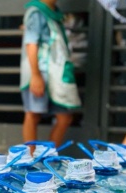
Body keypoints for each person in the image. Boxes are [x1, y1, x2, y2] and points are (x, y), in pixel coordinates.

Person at [20, 0, 81, 148]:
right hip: (40, 72)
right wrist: (35, 75)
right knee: (33, 114)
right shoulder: (36, 12)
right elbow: (31, 44)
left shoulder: (55, 14)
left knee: (64, 117)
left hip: (56, 75)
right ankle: (30, 158)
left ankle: (47, 156)